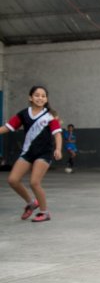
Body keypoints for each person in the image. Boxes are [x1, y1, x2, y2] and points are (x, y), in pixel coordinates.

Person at [0, 85, 62, 222]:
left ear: (46, 99)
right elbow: (7, 127)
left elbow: (57, 134)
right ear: (30, 98)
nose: (40, 98)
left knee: (34, 182)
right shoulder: (23, 114)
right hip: (28, 152)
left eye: (43, 96)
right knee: (13, 180)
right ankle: (31, 202)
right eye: (37, 95)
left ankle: (45, 212)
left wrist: (58, 149)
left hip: (44, 153)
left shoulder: (50, 116)